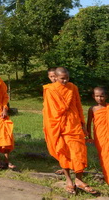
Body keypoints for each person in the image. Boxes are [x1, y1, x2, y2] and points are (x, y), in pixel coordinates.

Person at [44, 67, 97, 195]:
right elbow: (50, 109)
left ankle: (79, 180)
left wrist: (82, 123)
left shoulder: (73, 87)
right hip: (58, 125)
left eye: (67, 78)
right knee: (64, 153)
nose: (65, 80)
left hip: (73, 124)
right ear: (55, 77)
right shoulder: (50, 89)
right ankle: (69, 180)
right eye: (62, 78)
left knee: (79, 152)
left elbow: (78, 105)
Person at [86, 86, 108, 184]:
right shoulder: (92, 109)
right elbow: (89, 123)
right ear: (93, 96)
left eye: (102, 96)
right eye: (97, 96)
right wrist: (89, 136)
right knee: (104, 157)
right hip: (100, 137)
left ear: (106, 96)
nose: (99, 98)